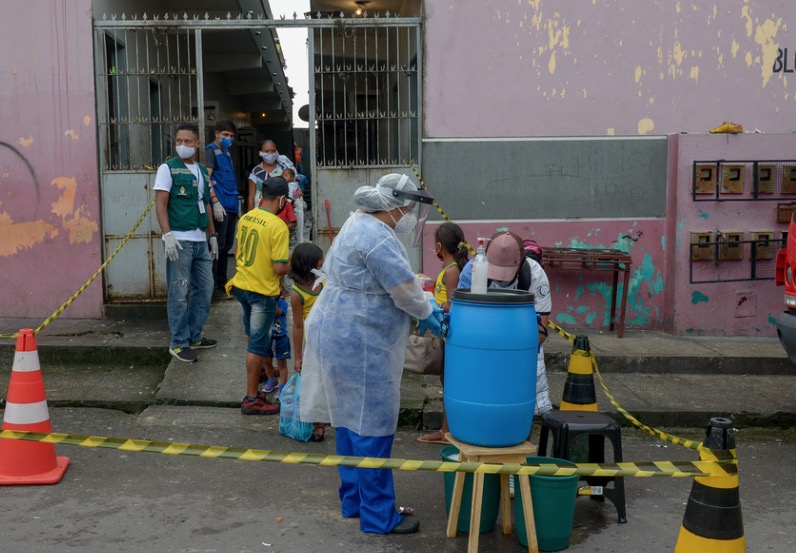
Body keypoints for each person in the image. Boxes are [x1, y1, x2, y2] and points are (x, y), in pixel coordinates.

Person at [300, 173, 444, 535]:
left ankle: (354, 502)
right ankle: (379, 516)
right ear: (394, 206)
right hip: (359, 338)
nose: (410, 215)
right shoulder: (379, 238)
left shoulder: (357, 222)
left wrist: (419, 300)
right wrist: (428, 311)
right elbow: (404, 290)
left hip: (339, 328)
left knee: (349, 421)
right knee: (373, 425)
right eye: (409, 208)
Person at [458, 230, 553, 415]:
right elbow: (462, 319)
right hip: (482, 348)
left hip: (523, 352)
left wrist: (510, 352)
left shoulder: (534, 275)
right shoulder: (473, 271)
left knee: (522, 408)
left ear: (521, 263)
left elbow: (541, 331)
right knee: (483, 404)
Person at [225, 176, 291, 415]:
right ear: (283, 199)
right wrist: (296, 265)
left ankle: (259, 378)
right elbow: (279, 268)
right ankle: (252, 398)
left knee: (254, 338)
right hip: (261, 292)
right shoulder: (277, 226)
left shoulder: (245, 218)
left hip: (241, 286)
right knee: (257, 344)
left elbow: (238, 253)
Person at [154, 123, 219, 363]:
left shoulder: (202, 171)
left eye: (188, 142)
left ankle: (195, 336)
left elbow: (205, 204)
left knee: (205, 289)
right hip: (179, 242)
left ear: (197, 144)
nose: (183, 145)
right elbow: (161, 203)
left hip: (200, 240)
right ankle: (179, 343)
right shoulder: (167, 168)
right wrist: (167, 235)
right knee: (179, 292)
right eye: (179, 141)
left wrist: (212, 236)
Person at [417, 222, 470, 444]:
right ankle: (446, 430)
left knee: (450, 382)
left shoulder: (452, 271)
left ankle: (447, 431)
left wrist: (431, 303)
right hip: (444, 333)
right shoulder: (448, 269)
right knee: (445, 379)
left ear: (439, 246)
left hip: (451, 333)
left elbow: (454, 304)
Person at [288, 242, 326, 442]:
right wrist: (298, 357)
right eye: (320, 262)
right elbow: (297, 326)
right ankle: (318, 424)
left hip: (330, 341)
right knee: (314, 384)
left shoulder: (324, 283)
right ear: (309, 265)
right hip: (312, 345)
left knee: (326, 382)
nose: (323, 265)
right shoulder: (297, 294)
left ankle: (325, 419)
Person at [205, 120, 240, 299]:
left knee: (226, 247)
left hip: (231, 205)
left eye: (231, 136)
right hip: (220, 206)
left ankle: (222, 282)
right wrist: (215, 202)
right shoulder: (211, 152)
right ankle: (213, 286)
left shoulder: (226, 152)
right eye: (225, 135)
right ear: (217, 134)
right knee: (217, 247)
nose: (228, 139)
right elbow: (206, 178)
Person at [259, 289, 291, 399]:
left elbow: (277, 312)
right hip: (267, 337)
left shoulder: (282, 303)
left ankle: (282, 386)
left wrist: (270, 301)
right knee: (266, 361)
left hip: (280, 337)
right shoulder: (262, 302)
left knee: (281, 363)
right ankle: (271, 380)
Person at [247, 139, 293, 213]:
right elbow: (251, 197)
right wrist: (250, 216)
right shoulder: (255, 172)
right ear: (260, 152)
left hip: (280, 212)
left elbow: (293, 188)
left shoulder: (284, 169)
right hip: (260, 212)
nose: (270, 153)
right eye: (267, 151)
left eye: (273, 151)